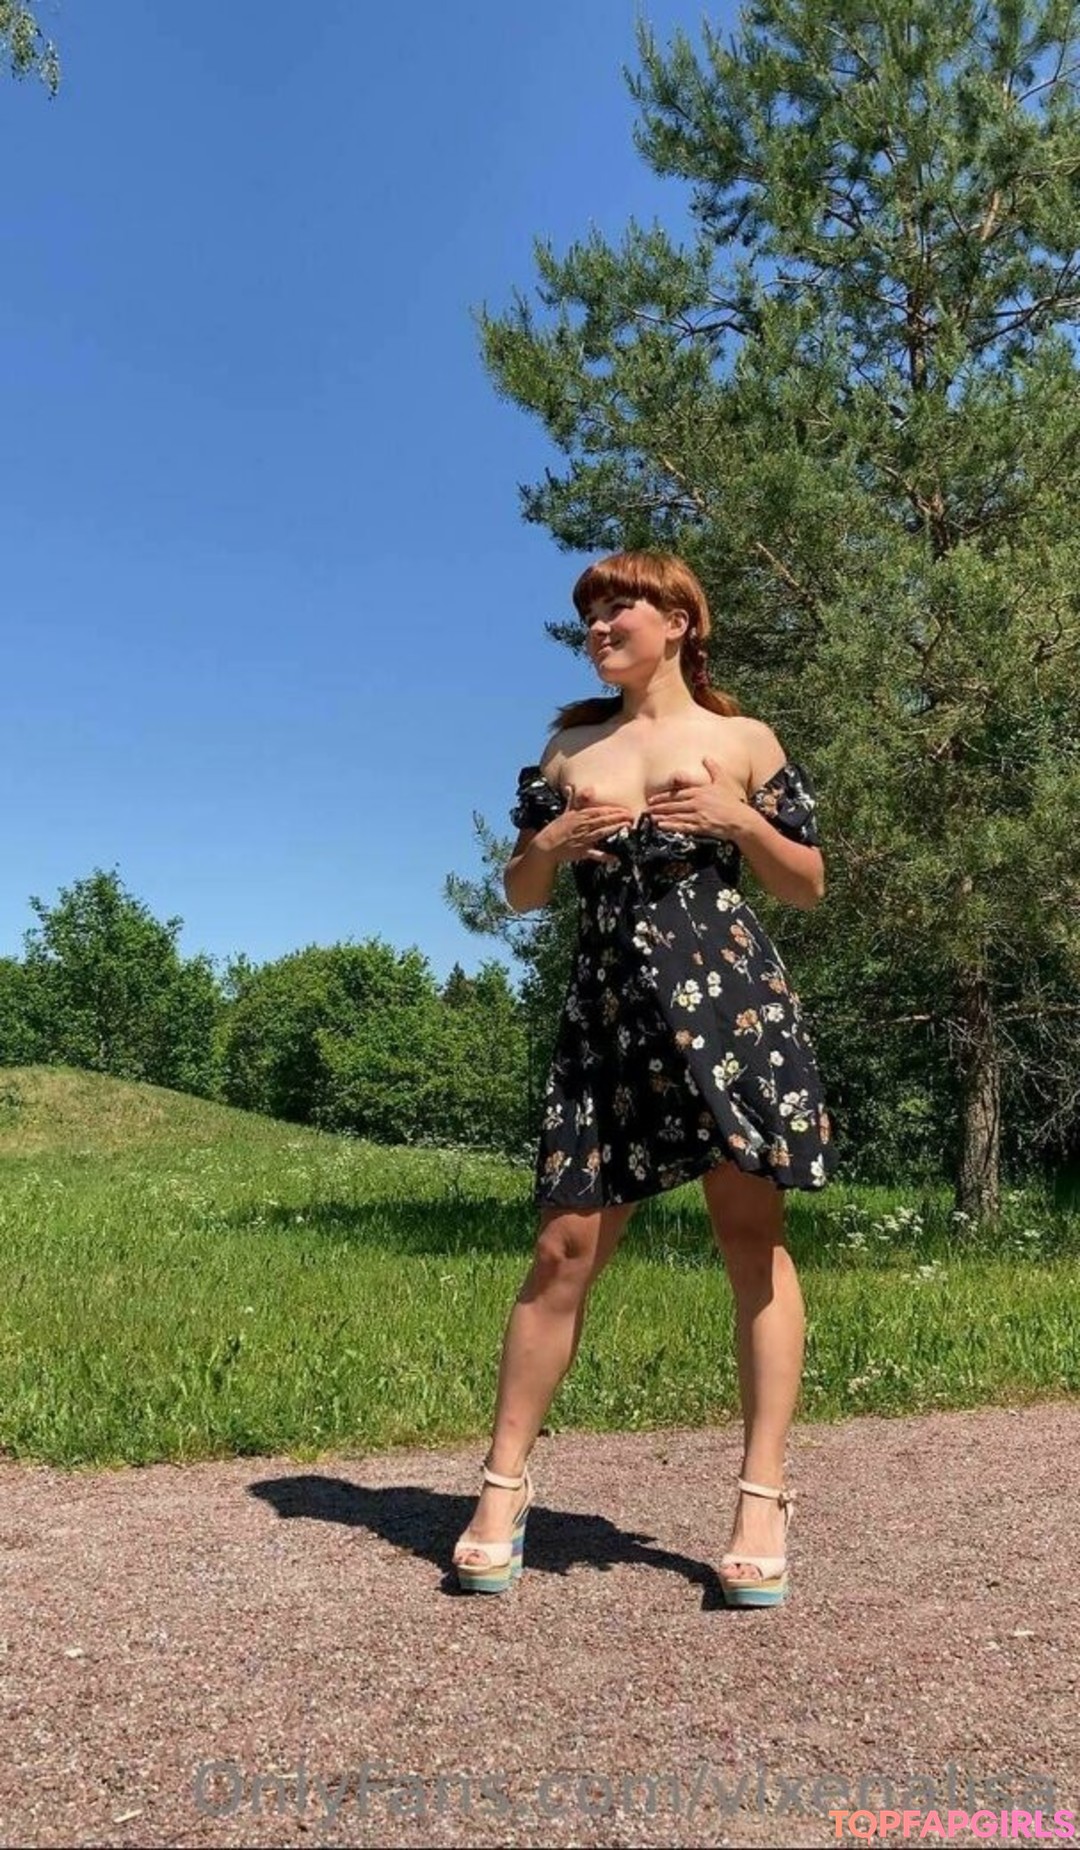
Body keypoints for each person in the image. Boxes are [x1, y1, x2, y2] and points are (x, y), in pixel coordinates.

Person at [452, 550, 839, 1604]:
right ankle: (502, 1488)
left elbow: (805, 882)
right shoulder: (571, 746)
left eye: (618, 605)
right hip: (609, 1017)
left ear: (678, 621)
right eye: (589, 611)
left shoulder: (744, 741)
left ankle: (762, 1496)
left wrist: (739, 821)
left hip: (729, 1008)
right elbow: (523, 892)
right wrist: (554, 841)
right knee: (562, 1247)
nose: (598, 625)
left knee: (751, 1241)